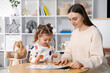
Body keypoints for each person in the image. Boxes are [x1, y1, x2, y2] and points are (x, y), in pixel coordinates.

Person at [54, 4, 110, 73]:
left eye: (75, 19)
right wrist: (65, 58)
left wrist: (81, 63)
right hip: (80, 71)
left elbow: (97, 58)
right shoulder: (74, 33)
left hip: (96, 71)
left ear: (83, 16)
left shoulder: (94, 32)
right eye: (70, 20)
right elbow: (69, 52)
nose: (72, 22)